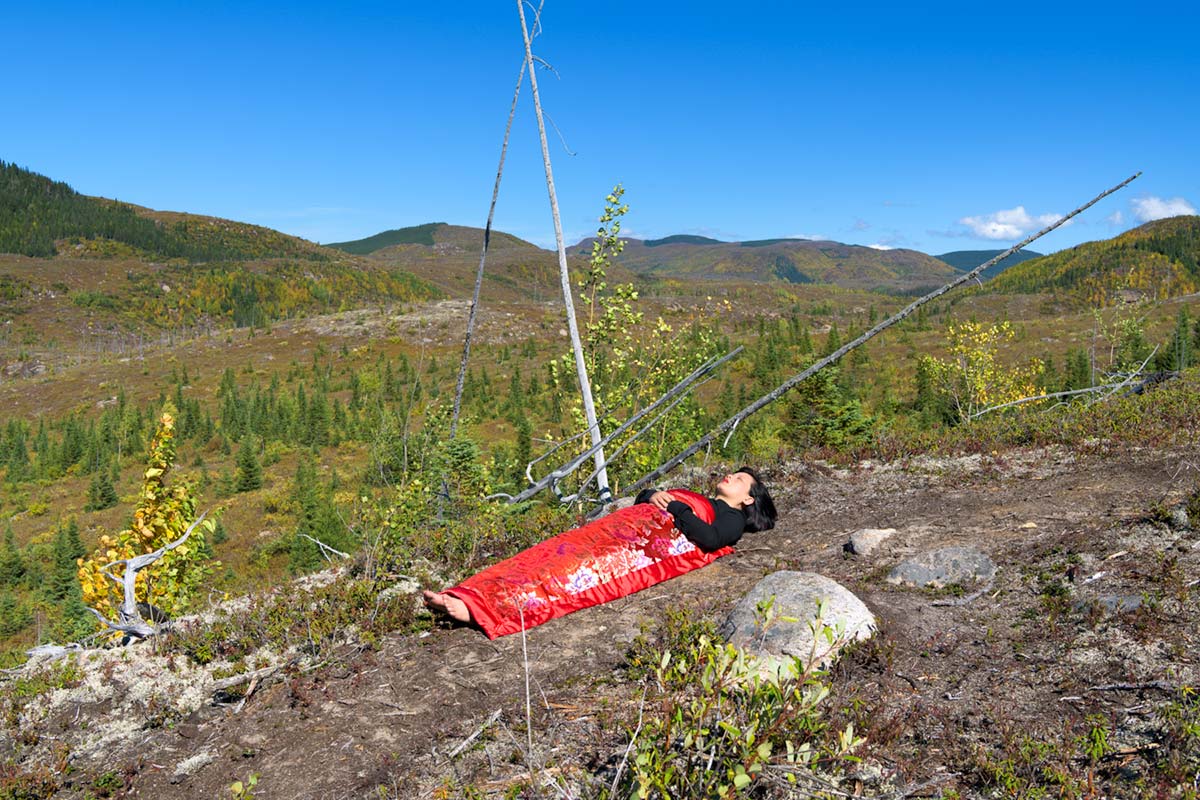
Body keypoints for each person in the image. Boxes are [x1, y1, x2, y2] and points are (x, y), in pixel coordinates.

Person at [423, 467, 777, 638]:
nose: (731, 475)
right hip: (619, 528)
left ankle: (481, 609)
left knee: (564, 573)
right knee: (546, 554)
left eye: (741, 479)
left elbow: (711, 539)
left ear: (747, 499)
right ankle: (471, 592)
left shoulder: (730, 518)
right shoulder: (706, 501)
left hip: (631, 547)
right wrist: (652, 495)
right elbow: (652, 501)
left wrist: (675, 510)